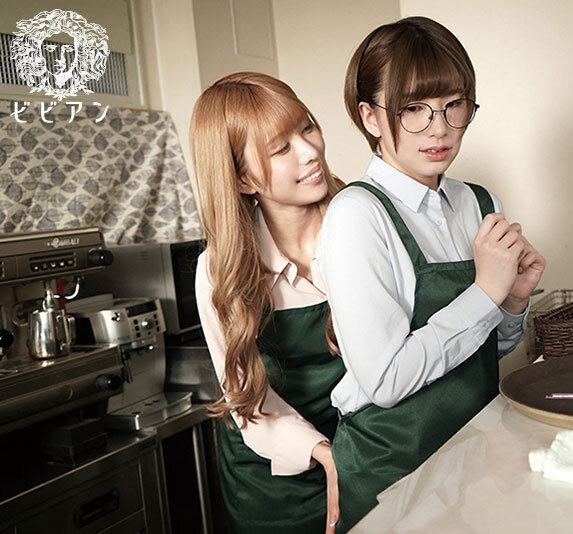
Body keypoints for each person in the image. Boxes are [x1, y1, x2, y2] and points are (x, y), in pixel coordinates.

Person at [318, 16, 546, 531]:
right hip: (392, 472)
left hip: (475, 455)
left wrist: (513, 302)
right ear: (370, 117)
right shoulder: (357, 215)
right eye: (413, 109)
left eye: (453, 105)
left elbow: (486, 350)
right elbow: (385, 381)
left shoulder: (479, 202)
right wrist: (486, 292)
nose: (439, 128)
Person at [191, 72, 344, 534]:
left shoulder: (360, 225)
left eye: (307, 127)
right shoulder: (218, 270)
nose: (310, 151)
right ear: (242, 178)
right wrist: (325, 454)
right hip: (269, 477)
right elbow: (249, 402)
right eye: (281, 149)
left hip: (362, 446)